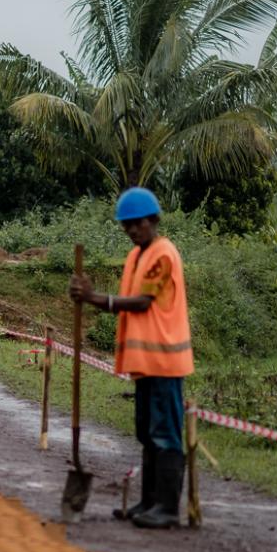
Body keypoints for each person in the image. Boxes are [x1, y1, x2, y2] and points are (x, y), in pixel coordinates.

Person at [69, 187, 194, 530]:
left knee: (165, 433)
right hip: (144, 364)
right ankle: (149, 501)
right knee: (147, 432)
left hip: (166, 362)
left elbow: (142, 303)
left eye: (136, 224)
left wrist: (95, 298)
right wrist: (88, 296)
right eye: (126, 226)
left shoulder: (163, 254)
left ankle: (167, 508)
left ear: (153, 220)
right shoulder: (135, 257)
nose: (132, 231)